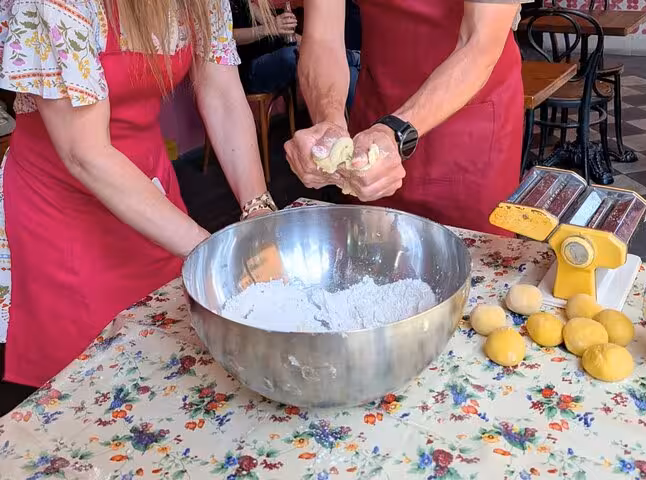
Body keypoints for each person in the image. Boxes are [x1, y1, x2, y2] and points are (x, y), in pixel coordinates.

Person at [0, 0, 278, 388]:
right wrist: (216, 254)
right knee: (92, 386)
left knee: (172, 365)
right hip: (63, 212)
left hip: (154, 199)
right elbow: (85, 154)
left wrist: (258, 213)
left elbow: (221, 93)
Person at [284, 0, 526, 234]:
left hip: (470, 126)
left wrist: (393, 129)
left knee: (471, 259)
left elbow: (479, 43)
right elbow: (322, 37)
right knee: (371, 253)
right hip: (375, 116)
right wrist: (329, 121)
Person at [229, 0, 361, 108]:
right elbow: (227, 38)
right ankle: (353, 58)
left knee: (347, 70)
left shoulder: (247, 4)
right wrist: (269, 28)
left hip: (272, 55)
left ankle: (350, 59)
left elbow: (273, 26)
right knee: (292, 56)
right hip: (246, 72)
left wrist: (310, 43)